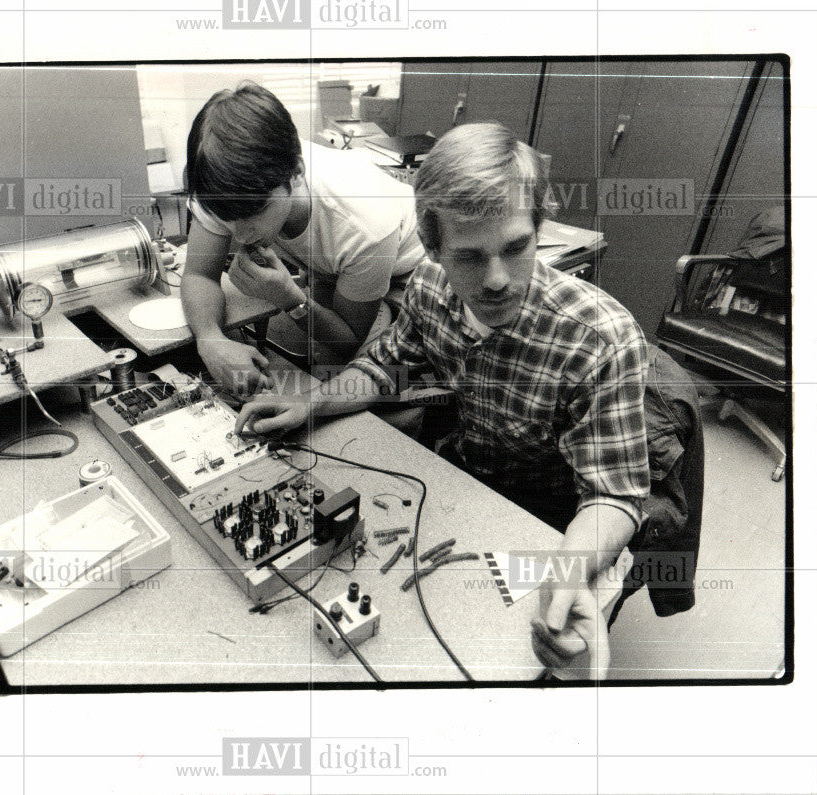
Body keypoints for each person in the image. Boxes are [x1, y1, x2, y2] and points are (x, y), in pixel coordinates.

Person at [234, 122, 652, 677]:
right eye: (470, 257)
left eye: (516, 247)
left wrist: (569, 573)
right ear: (432, 247)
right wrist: (313, 403)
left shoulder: (601, 339)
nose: (497, 279)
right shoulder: (430, 286)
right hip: (470, 482)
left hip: (558, 518)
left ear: (537, 227)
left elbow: (612, 494)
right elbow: (387, 367)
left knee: (517, 659)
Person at [181, 81, 429, 394]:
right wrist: (211, 340)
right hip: (331, 267)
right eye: (227, 219)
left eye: (255, 212)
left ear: (296, 172)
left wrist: (288, 296)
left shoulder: (363, 221)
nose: (240, 235)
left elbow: (347, 339)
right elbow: (199, 274)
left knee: (362, 384)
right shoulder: (224, 185)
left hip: (408, 273)